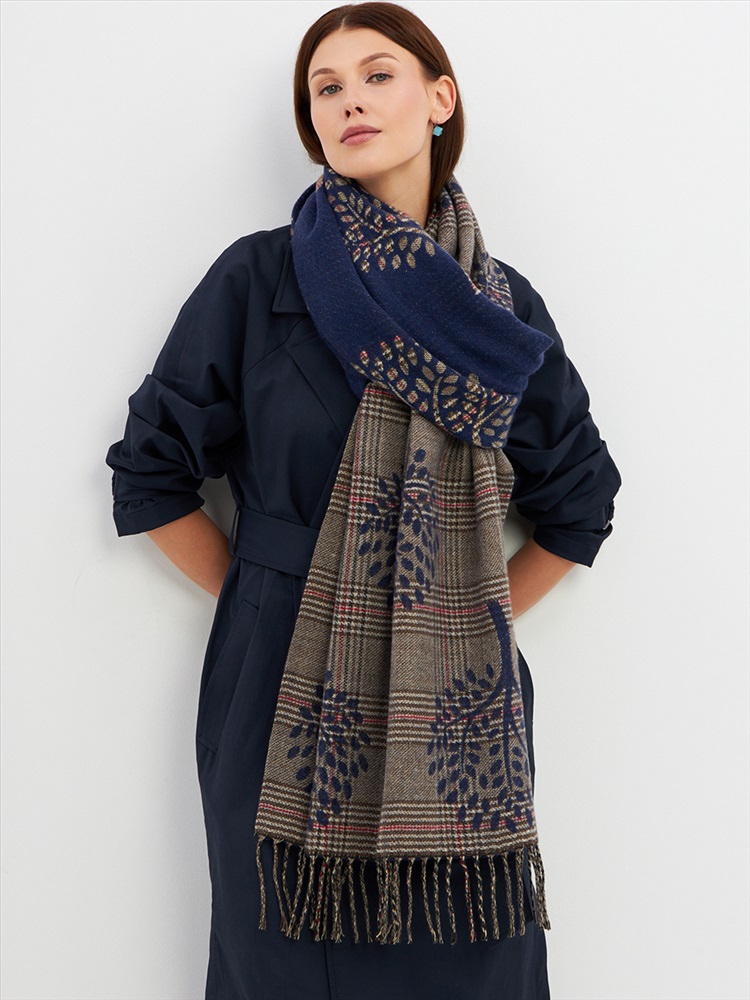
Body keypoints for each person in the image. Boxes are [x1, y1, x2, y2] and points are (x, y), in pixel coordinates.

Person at [106, 4, 621, 998]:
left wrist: (458, 613)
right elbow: (151, 471)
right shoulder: (259, 279)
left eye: (377, 75)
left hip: (456, 710)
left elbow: (580, 503)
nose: (350, 101)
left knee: (471, 960)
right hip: (280, 681)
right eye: (326, 88)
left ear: (440, 97)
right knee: (282, 957)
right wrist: (271, 599)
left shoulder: (499, 309)